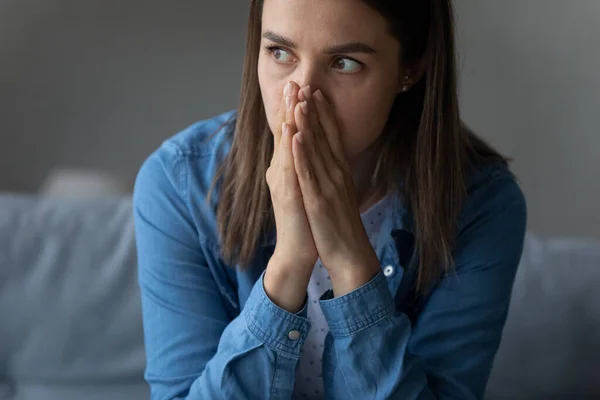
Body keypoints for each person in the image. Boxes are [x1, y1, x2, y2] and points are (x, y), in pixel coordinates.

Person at [133, 0, 527, 399]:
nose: (301, 95)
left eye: (345, 63)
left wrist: (351, 263)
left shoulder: (481, 204)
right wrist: (289, 264)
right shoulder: (180, 185)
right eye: (280, 53)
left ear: (410, 68)